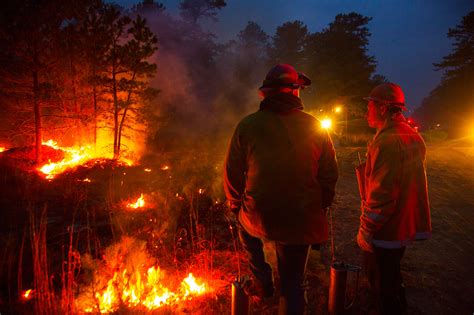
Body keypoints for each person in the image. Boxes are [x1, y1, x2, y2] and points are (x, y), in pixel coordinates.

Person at [223, 64, 338, 314]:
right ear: (295, 92)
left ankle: (262, 278)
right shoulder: (316, 127)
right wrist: (320, 205)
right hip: (301, 219)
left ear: (265, 94)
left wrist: (235, 206)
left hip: (259, 216)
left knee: (244, 224)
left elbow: (232, 174)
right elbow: (330, 175)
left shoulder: (247, 126)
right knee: (293, 284)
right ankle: (281, 290)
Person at [357, 83, 432, 314]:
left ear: (383, 108)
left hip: (386, 231)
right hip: (401, 226)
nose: (366, 111)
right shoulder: (410, 135)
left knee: (382, 286)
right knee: (392, 279)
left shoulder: (387, 142)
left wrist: (366, 230)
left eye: (370, 105)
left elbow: (383, 195)